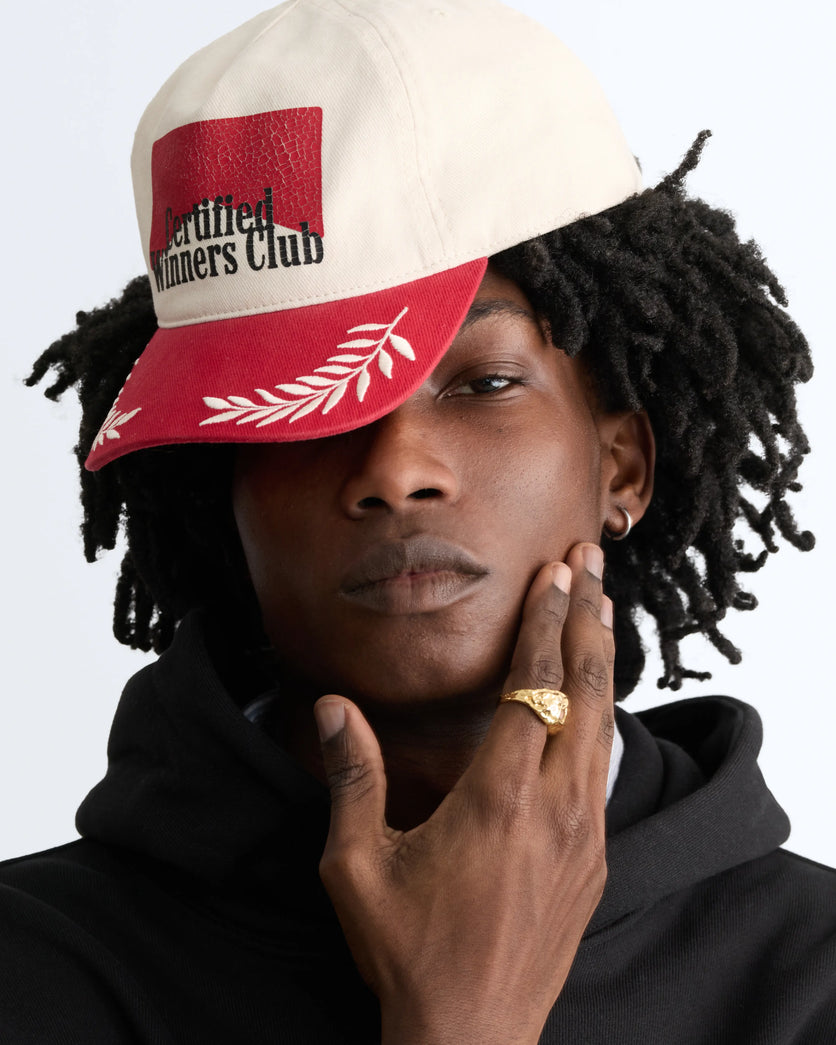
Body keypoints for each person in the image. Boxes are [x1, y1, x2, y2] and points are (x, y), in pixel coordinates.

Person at [2, 1, 834, 1042]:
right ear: (222, 487)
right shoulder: (32, 971)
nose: (394, 472)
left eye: (483, 382)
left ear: (621, 464)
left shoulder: (811, 977)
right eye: (301, 408)